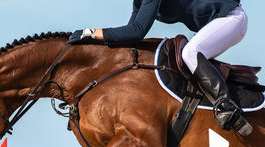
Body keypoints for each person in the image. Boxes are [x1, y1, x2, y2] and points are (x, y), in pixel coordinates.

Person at [68, 0, 252, 136]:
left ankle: (226, 105)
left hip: (231, 19)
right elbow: (132, 34)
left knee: (190, 53)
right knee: (188, 57)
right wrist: (94, 42)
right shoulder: (140, 2)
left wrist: (91, 33)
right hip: (217, 23)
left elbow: (137, 30)